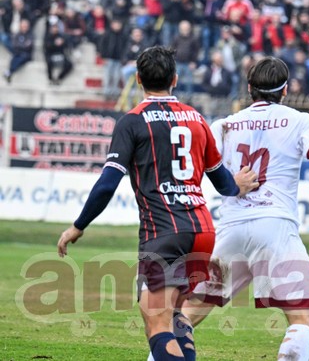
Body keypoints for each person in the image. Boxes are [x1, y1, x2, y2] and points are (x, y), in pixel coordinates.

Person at [57, 46, 259, 361]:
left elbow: (108, 183)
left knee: (156, 322)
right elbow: (222, 182)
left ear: (138, 79)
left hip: (164, 232)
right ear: (175, 79)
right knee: (176, 316)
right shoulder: (196, 119)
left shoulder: (132, 122)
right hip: (202, 231)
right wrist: (238, 186)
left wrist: (78, 225)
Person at [180, 56, 309, 361]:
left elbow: (191, 174)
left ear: (249, 88)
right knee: (305, 319)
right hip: (275, 229)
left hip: (231, 230)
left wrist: (231, 183)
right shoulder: (299, 120)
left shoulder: (223, 125)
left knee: (186, 316)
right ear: (285, 90)